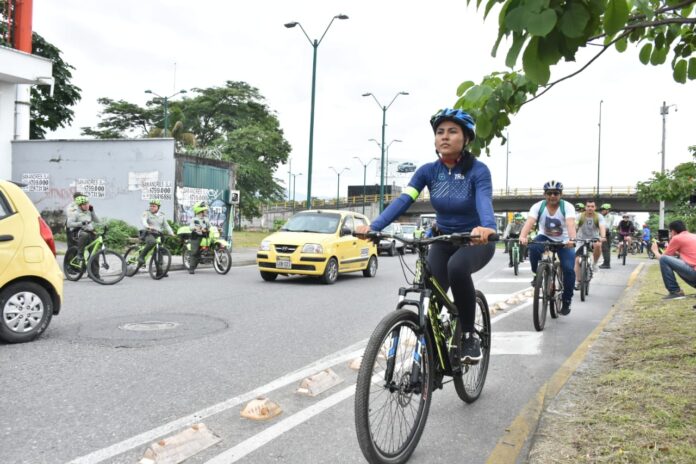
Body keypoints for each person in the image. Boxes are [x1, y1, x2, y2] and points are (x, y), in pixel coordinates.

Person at [355, 108, 497, 364]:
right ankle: (429, 356)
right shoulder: (427, 172)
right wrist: (375, 226)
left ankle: (467, 335)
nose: (444, 137)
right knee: (429, 290)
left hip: (474, 241)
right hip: (441, 239)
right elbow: (404, 200)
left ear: (466, 138)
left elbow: (484, 200)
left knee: (457, 268)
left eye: (452, 131)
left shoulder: (478, 171)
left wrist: (486, 227)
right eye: (439, 132)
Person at [519, 180, 577, 315]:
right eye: (549, 193)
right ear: (545, 194)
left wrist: (572, 240)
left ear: (560, 194)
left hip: (564, 240)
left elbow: (570, 224)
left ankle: (567, 300)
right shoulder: (538, 206)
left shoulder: (567, 207)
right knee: (533, 247)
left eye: (556, 193)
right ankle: (536, 274)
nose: (552, 196)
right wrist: (523, 236)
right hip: (545, 237)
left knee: (569, 269)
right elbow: (530, 222)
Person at [650, 220, 696, 299]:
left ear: (673, 231)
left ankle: (675, 291)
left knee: (664, 259)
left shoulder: (676, 238)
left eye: (670, 232)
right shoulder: (693, 236)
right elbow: (689, 254)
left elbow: (663, 259)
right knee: (676, 262)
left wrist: (655, 251)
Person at [574, 200, 606, 288]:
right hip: (581, 240)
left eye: (592, 206)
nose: (590, 208)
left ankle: (595, 263)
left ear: (595, 208)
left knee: (598, 245)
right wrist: (572, 237)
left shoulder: (599, 217)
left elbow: (602, 226)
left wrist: (603, 236)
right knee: (577, 260)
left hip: (594, 239)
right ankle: (578, 281)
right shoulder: (579, 216)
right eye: (588, 206)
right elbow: (575, 226)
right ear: (585, 207)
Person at [137, 199, 174, 271]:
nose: (151, 207)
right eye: (151, 206)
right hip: (147, 233)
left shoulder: (162, 216)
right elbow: (143, 221)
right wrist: (148, 226)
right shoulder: (146, 213)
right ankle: (141, 257)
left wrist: (171, 233)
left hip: (157, 234)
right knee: (152, 242)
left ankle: (160, 271)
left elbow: (166, 225)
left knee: (159, 250)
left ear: (158, 207)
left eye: (154, 206)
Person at [66, 196, 100, 276]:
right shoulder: (75, 213)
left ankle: (94, 274)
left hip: (91, 232)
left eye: (87, 203)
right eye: (84, 204)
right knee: (84, 235)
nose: (86, 205)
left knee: (95, 253)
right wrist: (81, 223)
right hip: (79, 232)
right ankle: (80, 254)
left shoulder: (89, 212)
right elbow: (69, 224)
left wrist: (92, 211)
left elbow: (97, 221)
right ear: (80, 205)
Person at [188, 201, 211, 274]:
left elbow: (210, 226)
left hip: (205, 236)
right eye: (204, 210)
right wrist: (196, 228)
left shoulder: (206, 219)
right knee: (194, 252)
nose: (206, 211)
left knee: (212, 246)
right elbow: (191, 227)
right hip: (196, 237)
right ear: (200, 211)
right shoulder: (194, 219)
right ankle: (191, 268)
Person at [598, 203, 615, 269]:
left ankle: (606, 264)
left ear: (607, 210)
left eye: (603, 209)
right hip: (605, 233)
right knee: (605, 249)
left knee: (605, 249)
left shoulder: (609, 216)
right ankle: (606, 263)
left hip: (606, 233)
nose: (602, 211)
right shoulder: (605, 216)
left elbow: (606, 226)